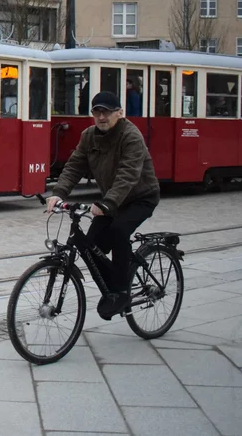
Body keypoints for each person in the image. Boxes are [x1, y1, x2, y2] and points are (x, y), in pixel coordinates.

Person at [45, 91, 160, 321]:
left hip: (141, 197)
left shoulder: (131, 136)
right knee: (91, 244)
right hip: (112, 200)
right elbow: (75, 166)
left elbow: (128, 175)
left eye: (106, 112)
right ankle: (114, 283)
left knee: (118, 232)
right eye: (96, 112)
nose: (101, 117)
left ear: (119, 113)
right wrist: (58, 194)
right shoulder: (89, 136)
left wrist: (107, 203)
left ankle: (121, 292)